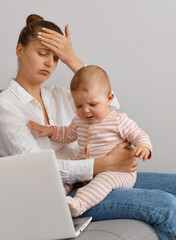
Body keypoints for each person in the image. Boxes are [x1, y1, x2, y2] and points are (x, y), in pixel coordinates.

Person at [0, 14, 176, 239]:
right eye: (42, 54)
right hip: (60, 194)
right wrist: (105, 163)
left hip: (97, 177)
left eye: (56, 58)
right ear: (19, 50)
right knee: (166, 206)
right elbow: (39, 171)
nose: (49, 63)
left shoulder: (58, 95)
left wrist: (72, 59)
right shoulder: (5, 106)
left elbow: (110, 104)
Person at [28, 65, 152, 217]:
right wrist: (50, 130)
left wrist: (144, 147)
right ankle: (57, 199)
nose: (85, 110)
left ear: (109, 98)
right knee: (68, 168)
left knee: (104, 179)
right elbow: (67, 134)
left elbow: (140, 135)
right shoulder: (79, 121)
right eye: (79, 105)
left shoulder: (118, 121)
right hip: (89, 169)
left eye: (92, 104)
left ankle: (79, 204)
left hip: (118, 172)